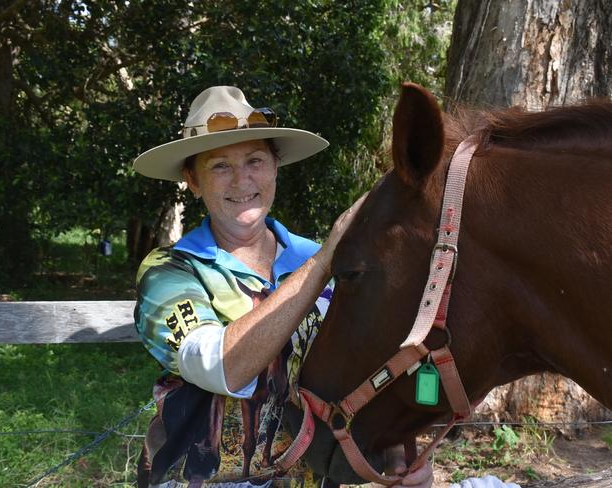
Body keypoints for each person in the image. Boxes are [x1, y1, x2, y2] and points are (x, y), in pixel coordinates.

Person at [132, 86, 433, 487]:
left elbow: (376, 362)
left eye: (255, 160)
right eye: (220, 165)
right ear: (193, 180)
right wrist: (324, 262)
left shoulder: (323, 261)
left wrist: (400, 455)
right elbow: (223, 368)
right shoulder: (170, 271)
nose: (242, 179)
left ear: (276, 167)